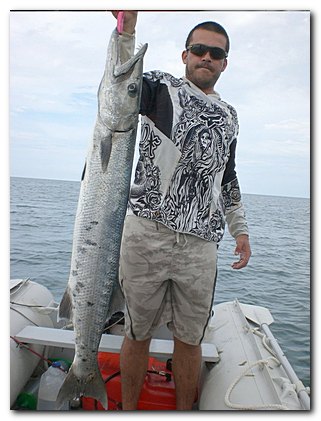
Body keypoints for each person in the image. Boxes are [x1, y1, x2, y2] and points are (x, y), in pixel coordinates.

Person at [112, 11, 251, 410]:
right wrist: (126, 31)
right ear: (185, 55)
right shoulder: (159, 87)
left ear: (225, 62)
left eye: (216, 53)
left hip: (200, 245)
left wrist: (240, 230)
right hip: (145, 235)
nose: (206, 57)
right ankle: (127, 410)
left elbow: (228, 177)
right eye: (199, 50)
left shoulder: (230, 116)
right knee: (136, 333)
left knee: (190, 339)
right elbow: (119, 82)